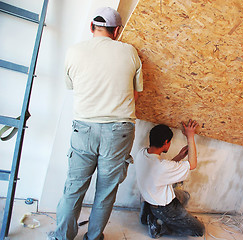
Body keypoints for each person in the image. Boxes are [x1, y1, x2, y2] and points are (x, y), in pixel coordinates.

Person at [48, 7, 143, 240]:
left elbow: (73, 87)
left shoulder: (74, 51)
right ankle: (93, 237)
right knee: (106, 192)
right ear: (117, 31)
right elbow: (136, 94)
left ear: (91, 27)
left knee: (73, 188)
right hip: (119, 131)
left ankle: (62, 237)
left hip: (84, 129)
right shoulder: (130, 52)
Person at [134, 120, 205, 238]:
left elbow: (161, 172)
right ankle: (159, 227)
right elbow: (192, 165)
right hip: (165, 208)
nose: (170, 144)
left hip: (150, 197)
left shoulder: (142, 154)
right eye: (170, 142)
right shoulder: (161, 167)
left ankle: (148, 212)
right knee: (199, 230)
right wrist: (190, 136)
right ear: (166, 142)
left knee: (185, 196)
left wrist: (180, 156)